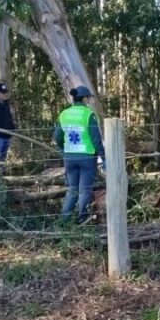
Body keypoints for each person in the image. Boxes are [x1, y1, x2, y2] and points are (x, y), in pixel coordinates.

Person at [54, 86, 106, 224]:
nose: (89, 100)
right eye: (88, 97)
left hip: (69, 157)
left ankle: (64, 220)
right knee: (85, 191)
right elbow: (96, 139)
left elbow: (58, 136)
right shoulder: (88, 115)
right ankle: (81, 219)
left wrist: (63, 149)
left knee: (72, 190)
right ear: (84, 98)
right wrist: (104, 158)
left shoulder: (64, 114)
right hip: (87, 158)